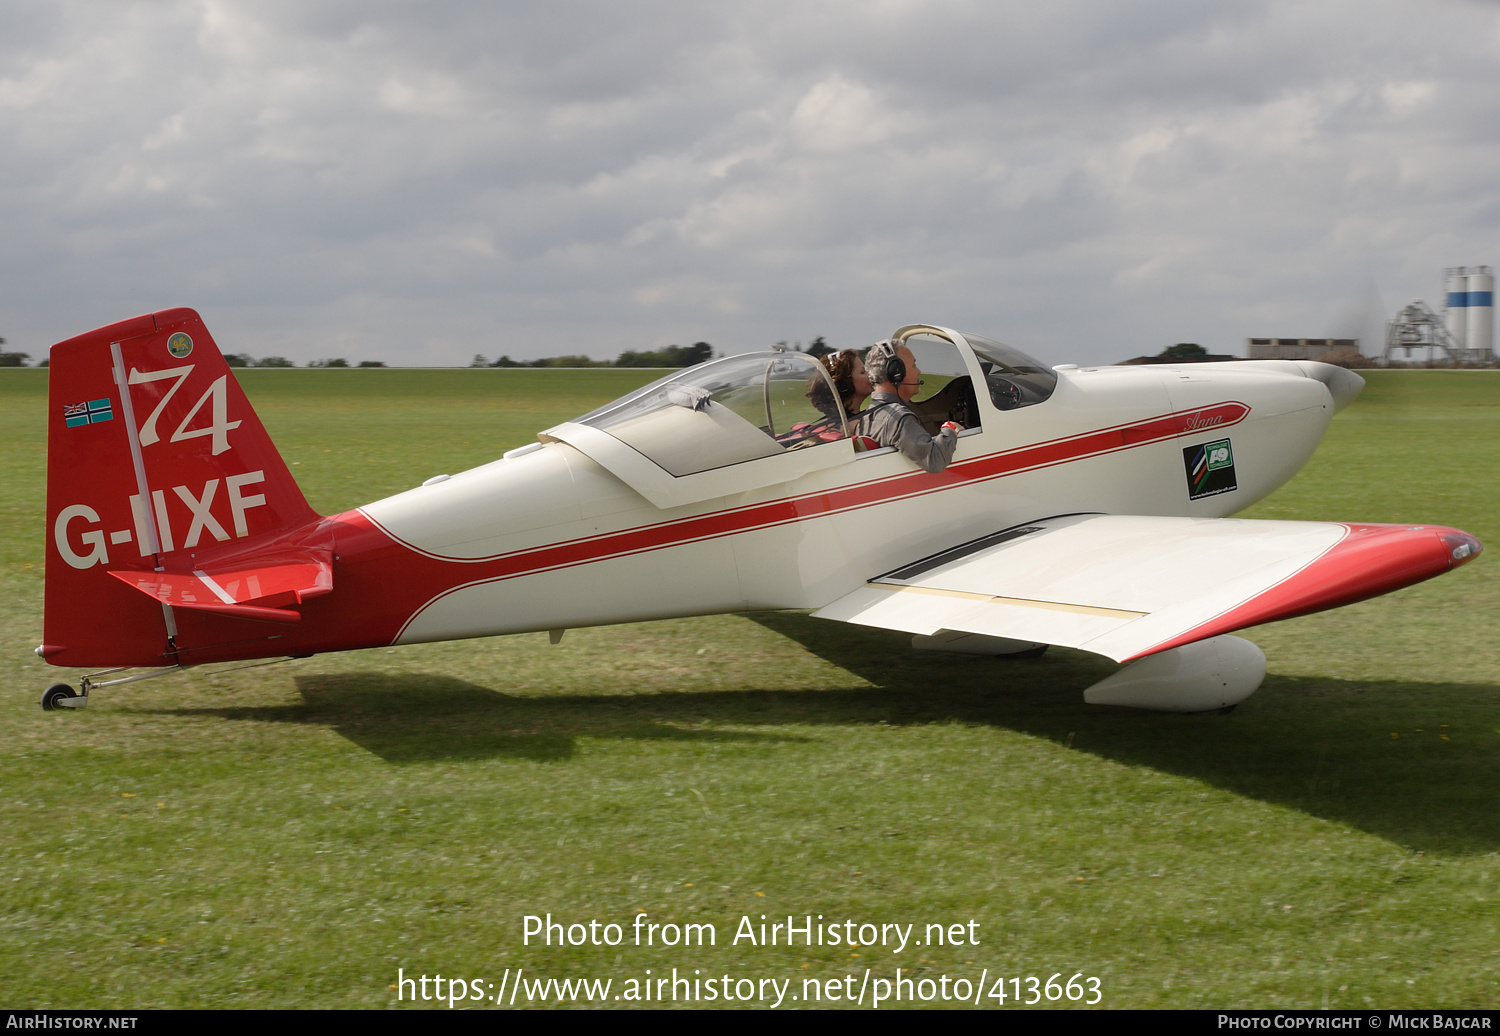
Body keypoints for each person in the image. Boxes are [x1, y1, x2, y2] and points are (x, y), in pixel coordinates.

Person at [855, 340, 962, 473]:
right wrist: (951, 428)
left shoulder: (867, 416)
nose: (918, 371)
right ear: (896, 374)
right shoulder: (899, 418)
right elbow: (934, 460)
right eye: (913, 365)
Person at [807, 349, 873, 424]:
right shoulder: (857, 427)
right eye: (863, 372)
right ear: (845, 383)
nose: (870, 375)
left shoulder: (834, 424)